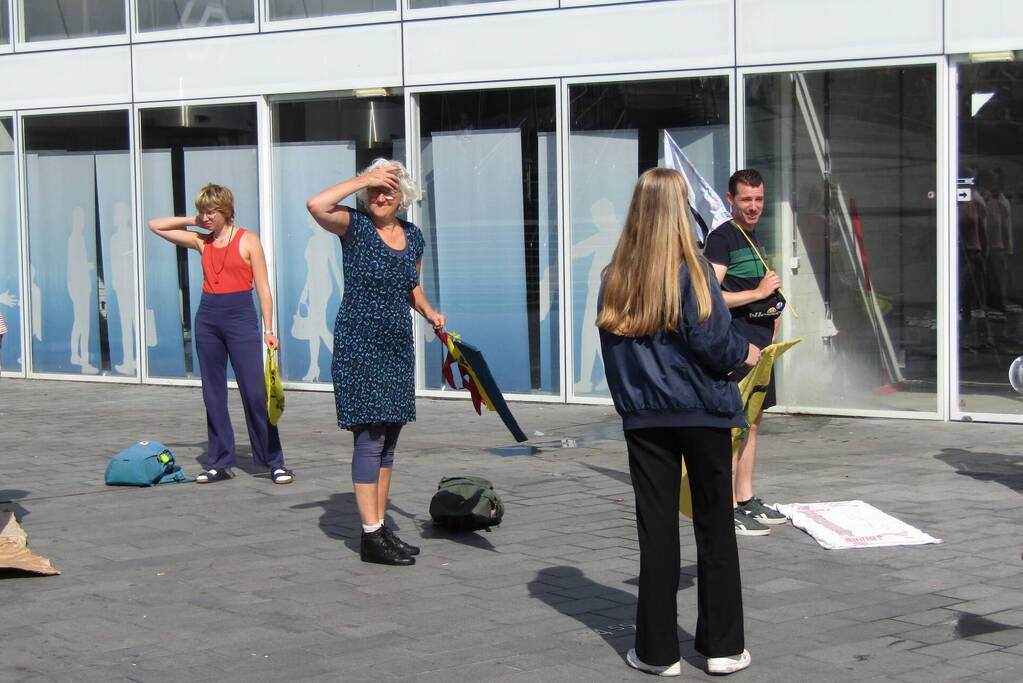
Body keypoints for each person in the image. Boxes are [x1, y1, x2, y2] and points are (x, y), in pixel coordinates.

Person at [598, 167, 758, 677]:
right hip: (703, 409)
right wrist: (746, 354)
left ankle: (657, 652)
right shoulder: (694, 270)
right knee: (715, 527)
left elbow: (614, 354)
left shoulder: (615, 275)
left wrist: (632, 404)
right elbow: (713, 341)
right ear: (680, 209)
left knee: (657, 532)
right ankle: (722, 647)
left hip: (646, 418)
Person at [306, 159, 445, 567]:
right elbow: (316, 204)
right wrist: (363, 179)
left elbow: (411, 286)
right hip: (359, 344)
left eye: (388, 190)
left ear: (403, 197)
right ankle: (369, 535)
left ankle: (380, 528)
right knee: (369, 437)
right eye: (374, 191)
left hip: (396, 346)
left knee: (388, 440)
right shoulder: (355, 226)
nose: (380, 197)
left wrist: (429, 312)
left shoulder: (413, 236)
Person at [148, 184, 294, 485]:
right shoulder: (202, 241)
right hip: (208, 318)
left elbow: (264, 289)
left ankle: (273, 461)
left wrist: (269, 329)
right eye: (202, 212)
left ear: (226, 211)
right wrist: (193, 220)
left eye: (211, 212)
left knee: (255, 393)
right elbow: (155, 226)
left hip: (240, 317)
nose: (206, 217)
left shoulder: (248, 240)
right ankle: (220, 462)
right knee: (212, 394)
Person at [703, 169, 788, 537]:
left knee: (752, 423)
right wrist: (758, 293)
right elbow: (709, 296)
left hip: (762, 345)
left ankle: (745, 497)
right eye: (746, 200)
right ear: (730, 200)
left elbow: (757, 290)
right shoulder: (722, 238)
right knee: (733, 427)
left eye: (759, 199)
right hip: (738, 348)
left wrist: (772, 310)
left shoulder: (752, 236)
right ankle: (725, 507)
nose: (753, 207)